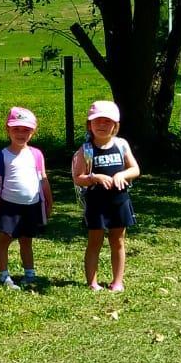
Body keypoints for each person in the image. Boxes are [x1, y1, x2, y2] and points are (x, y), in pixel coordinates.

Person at [72, 100, 141, 293]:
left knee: (117, 241)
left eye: (107, 121)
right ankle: (92, 282)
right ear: (89, 125)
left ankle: (118, 282)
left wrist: (122, 175)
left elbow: (135, 169)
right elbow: (78, 178)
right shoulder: (85, 150)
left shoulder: (121, 145)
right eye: (97, 121)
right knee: (95, 241)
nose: (102, 125)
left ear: (115, 125)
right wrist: (95, 177)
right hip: (96, 204)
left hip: (119, 201)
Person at [0, 107, 54, 289]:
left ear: (33, 132)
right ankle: (4, 275)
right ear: (7, 130)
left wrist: (49, 202)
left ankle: (29, 273)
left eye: (26, 130)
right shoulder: (1, 156)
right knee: (4, 240)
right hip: (9, 206)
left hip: (31, 206)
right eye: (16, 129)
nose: (21, 133)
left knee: (27, 240)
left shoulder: (36, 154)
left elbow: (43, 179)